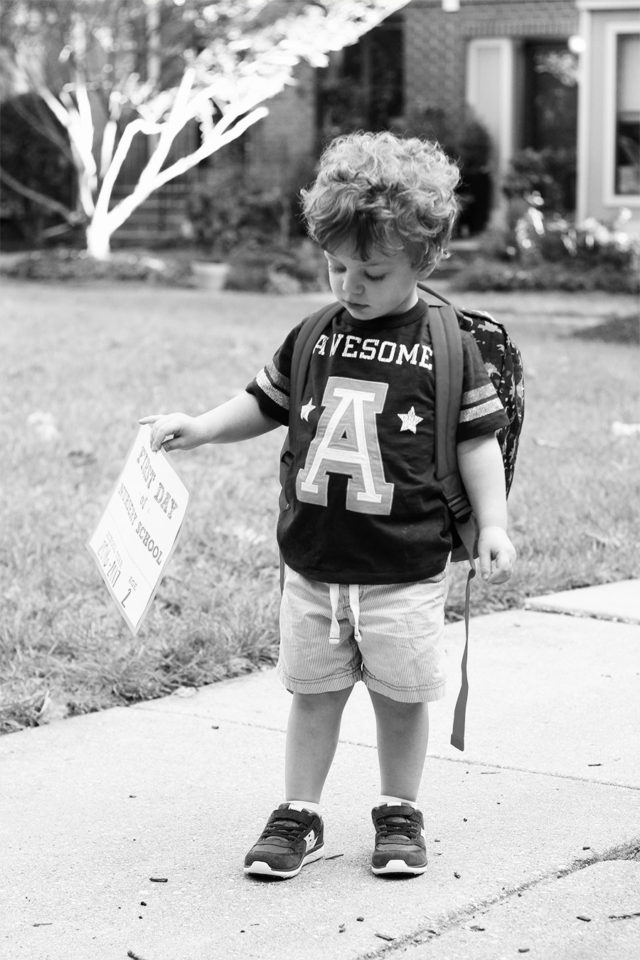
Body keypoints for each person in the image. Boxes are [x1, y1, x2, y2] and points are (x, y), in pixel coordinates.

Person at [141, 131, 516, 881]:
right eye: (337, 265)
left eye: (371, 272)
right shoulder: (315, 333)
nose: (349, 284)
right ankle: (299, 814)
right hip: (312, 564)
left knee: (401, 699)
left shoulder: (448, 344)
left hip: (404, 566)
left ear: (424, 256)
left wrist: (495, 524)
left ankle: (398, 810)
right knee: (313, 694)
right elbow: (262, 403)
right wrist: (205, 428)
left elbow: (477, 442)